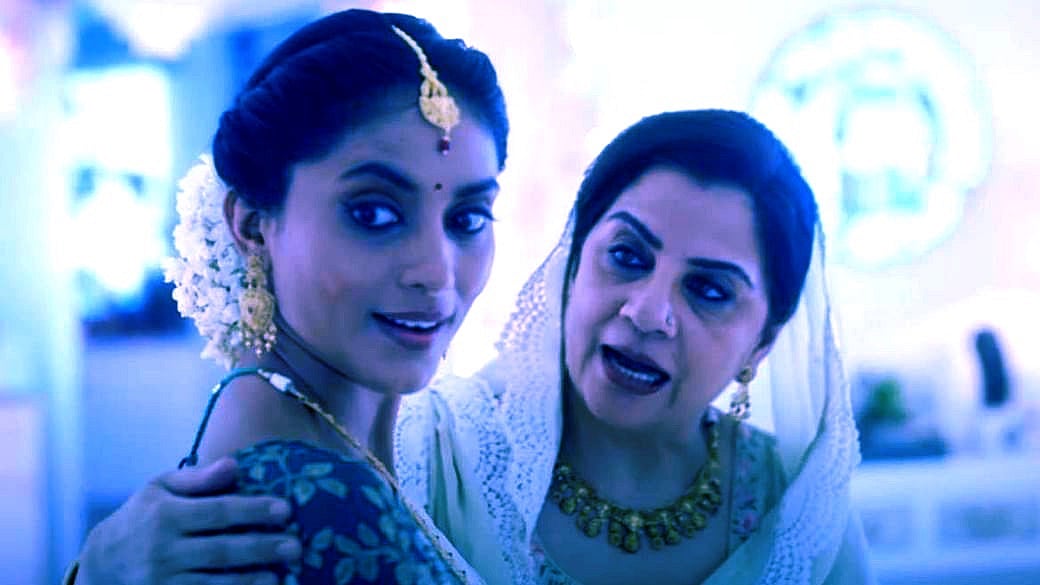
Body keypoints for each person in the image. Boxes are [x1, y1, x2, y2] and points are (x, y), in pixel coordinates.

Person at [74, 112, 873, 583]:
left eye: (710, 291)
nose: (648, 312)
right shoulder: (423, 450)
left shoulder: (798, 506)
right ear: (572, 261)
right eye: (627, 256)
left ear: (762, 342)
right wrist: (98, 574)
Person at [68, 7, 508, 585]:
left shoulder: (373, 444)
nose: (436, 272)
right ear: (252, 225)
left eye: (468, 218)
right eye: (374, 214)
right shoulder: (325, 506)